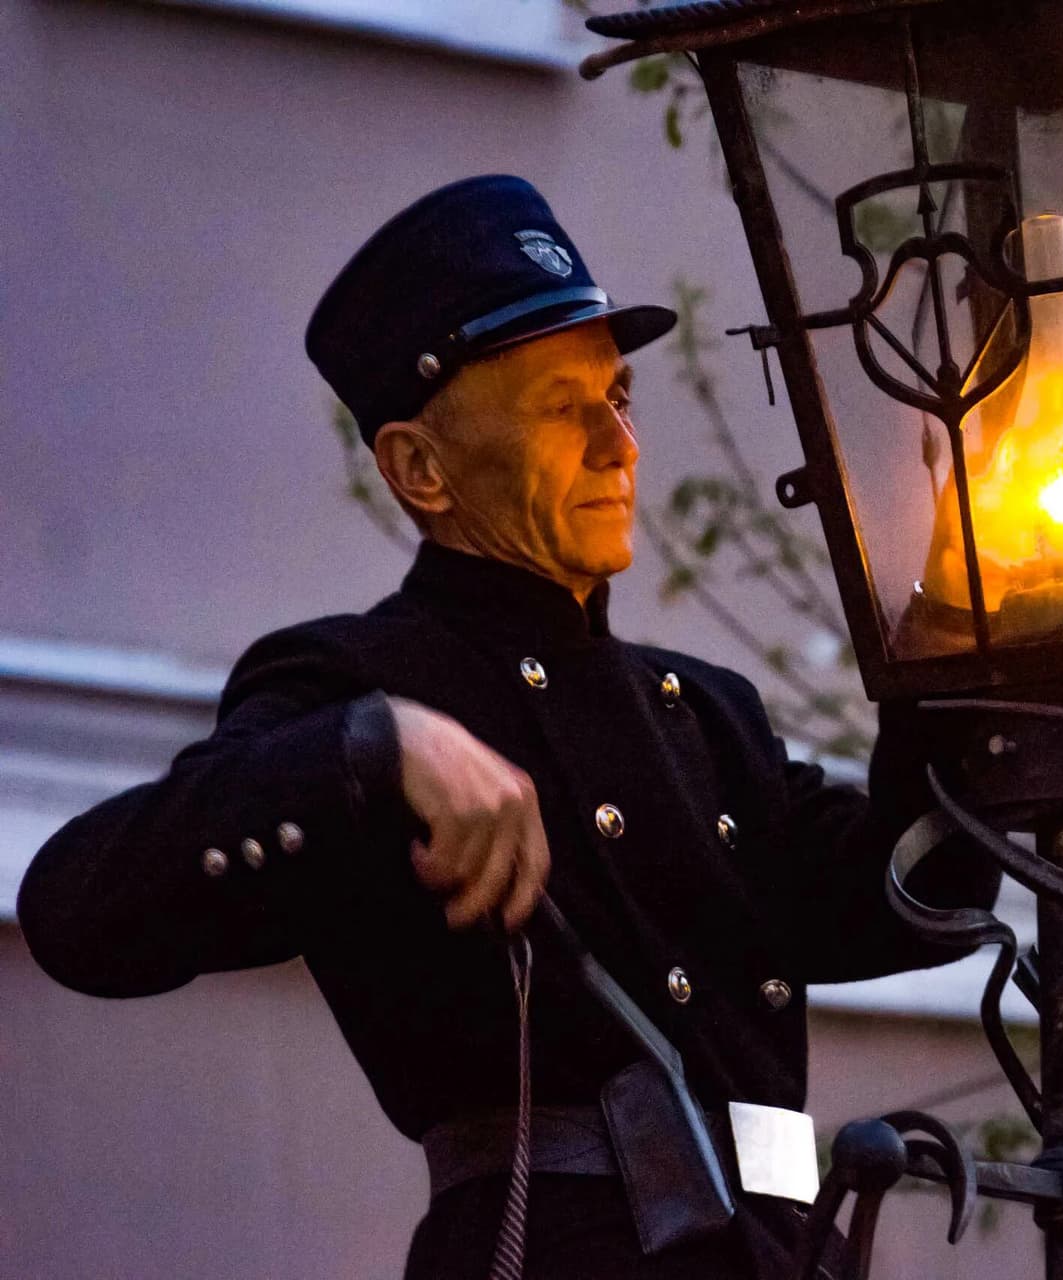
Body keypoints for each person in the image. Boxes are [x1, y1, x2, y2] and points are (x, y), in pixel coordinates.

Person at [16, 174, 998, 1279]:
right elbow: (74, 909)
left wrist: (961, 628)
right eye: (559, 406)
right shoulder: (363, 676)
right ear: (420, 468)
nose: (619, 445)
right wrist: (375, 747)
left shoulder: (709, 713)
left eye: (620, 397)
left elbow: (926, 902)